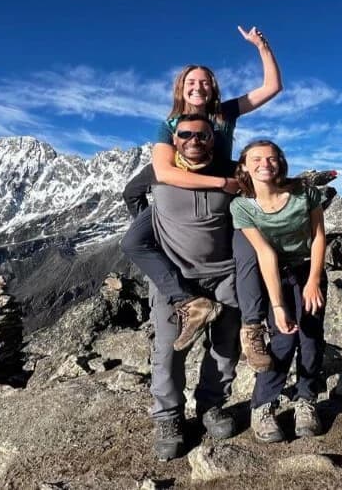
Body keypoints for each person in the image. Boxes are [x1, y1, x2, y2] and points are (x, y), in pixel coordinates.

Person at [121, 26, 282, 368]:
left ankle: (251, 327)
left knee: (246, 249)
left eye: (205, 82)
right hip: (180, 185)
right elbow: (163, 172)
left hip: (218, 185)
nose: (198, 87)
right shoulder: (169, 124)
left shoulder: (224, 113)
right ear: (181, 88)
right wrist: (220, 184)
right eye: (191, 82)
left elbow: (272, 87)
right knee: (134, 239)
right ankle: (185, 298)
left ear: (213, 88)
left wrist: (261, 46)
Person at [140, 114, 242, 461]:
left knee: (225, 344)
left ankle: (211, 405)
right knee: (169, 351)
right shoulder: (159, 171)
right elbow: (131, 195)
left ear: (213, 139)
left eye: (202, 135)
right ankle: (169, 418)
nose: (194, 140)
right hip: (177, 278)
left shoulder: (231, 172)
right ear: (175, 139)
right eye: (185, 134)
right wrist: (149, 231)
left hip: (225, 274)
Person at [231, 139, 328, 442]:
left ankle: (306, 400)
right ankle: (262, 405)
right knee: (284, 340)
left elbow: (318, 237)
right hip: (275, 276)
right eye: (256, 159)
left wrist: (313, 280)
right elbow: (265, 254)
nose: (265, 164)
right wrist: (277, 306)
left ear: (281, 162)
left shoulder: (305, 193)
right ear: (244, 165)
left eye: (272, 159)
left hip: (307, 269)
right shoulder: (242, 206)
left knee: (311, 337)